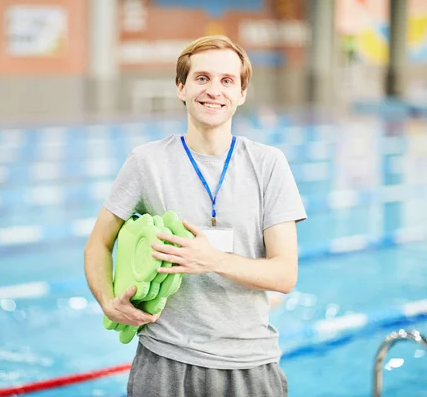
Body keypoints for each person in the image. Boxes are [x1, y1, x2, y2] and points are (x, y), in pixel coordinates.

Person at [84, 35, 307, 397]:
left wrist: (213, 260)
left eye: (226, 81)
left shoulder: (269, 164)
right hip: (163, 362)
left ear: (241, 93)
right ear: (181, 88)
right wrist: (108, 302)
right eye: (202, 78)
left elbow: (284, 274)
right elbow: (98, 243)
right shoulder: (147, 162)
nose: (213, 91)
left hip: (248, 363)